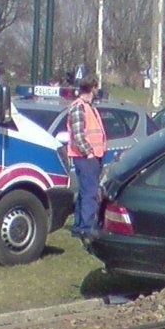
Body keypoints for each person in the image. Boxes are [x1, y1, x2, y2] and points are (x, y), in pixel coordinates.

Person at [66, 75, 107, 239]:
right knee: (89, 193)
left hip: (93, 156)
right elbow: (78, 135)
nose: (97, 91)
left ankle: (79, 227)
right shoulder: (78, 107)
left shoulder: (90, 107)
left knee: (85, 193)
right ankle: (86, 228)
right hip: (85, 157)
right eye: (96, 87)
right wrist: (89, 153)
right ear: (92, 88)